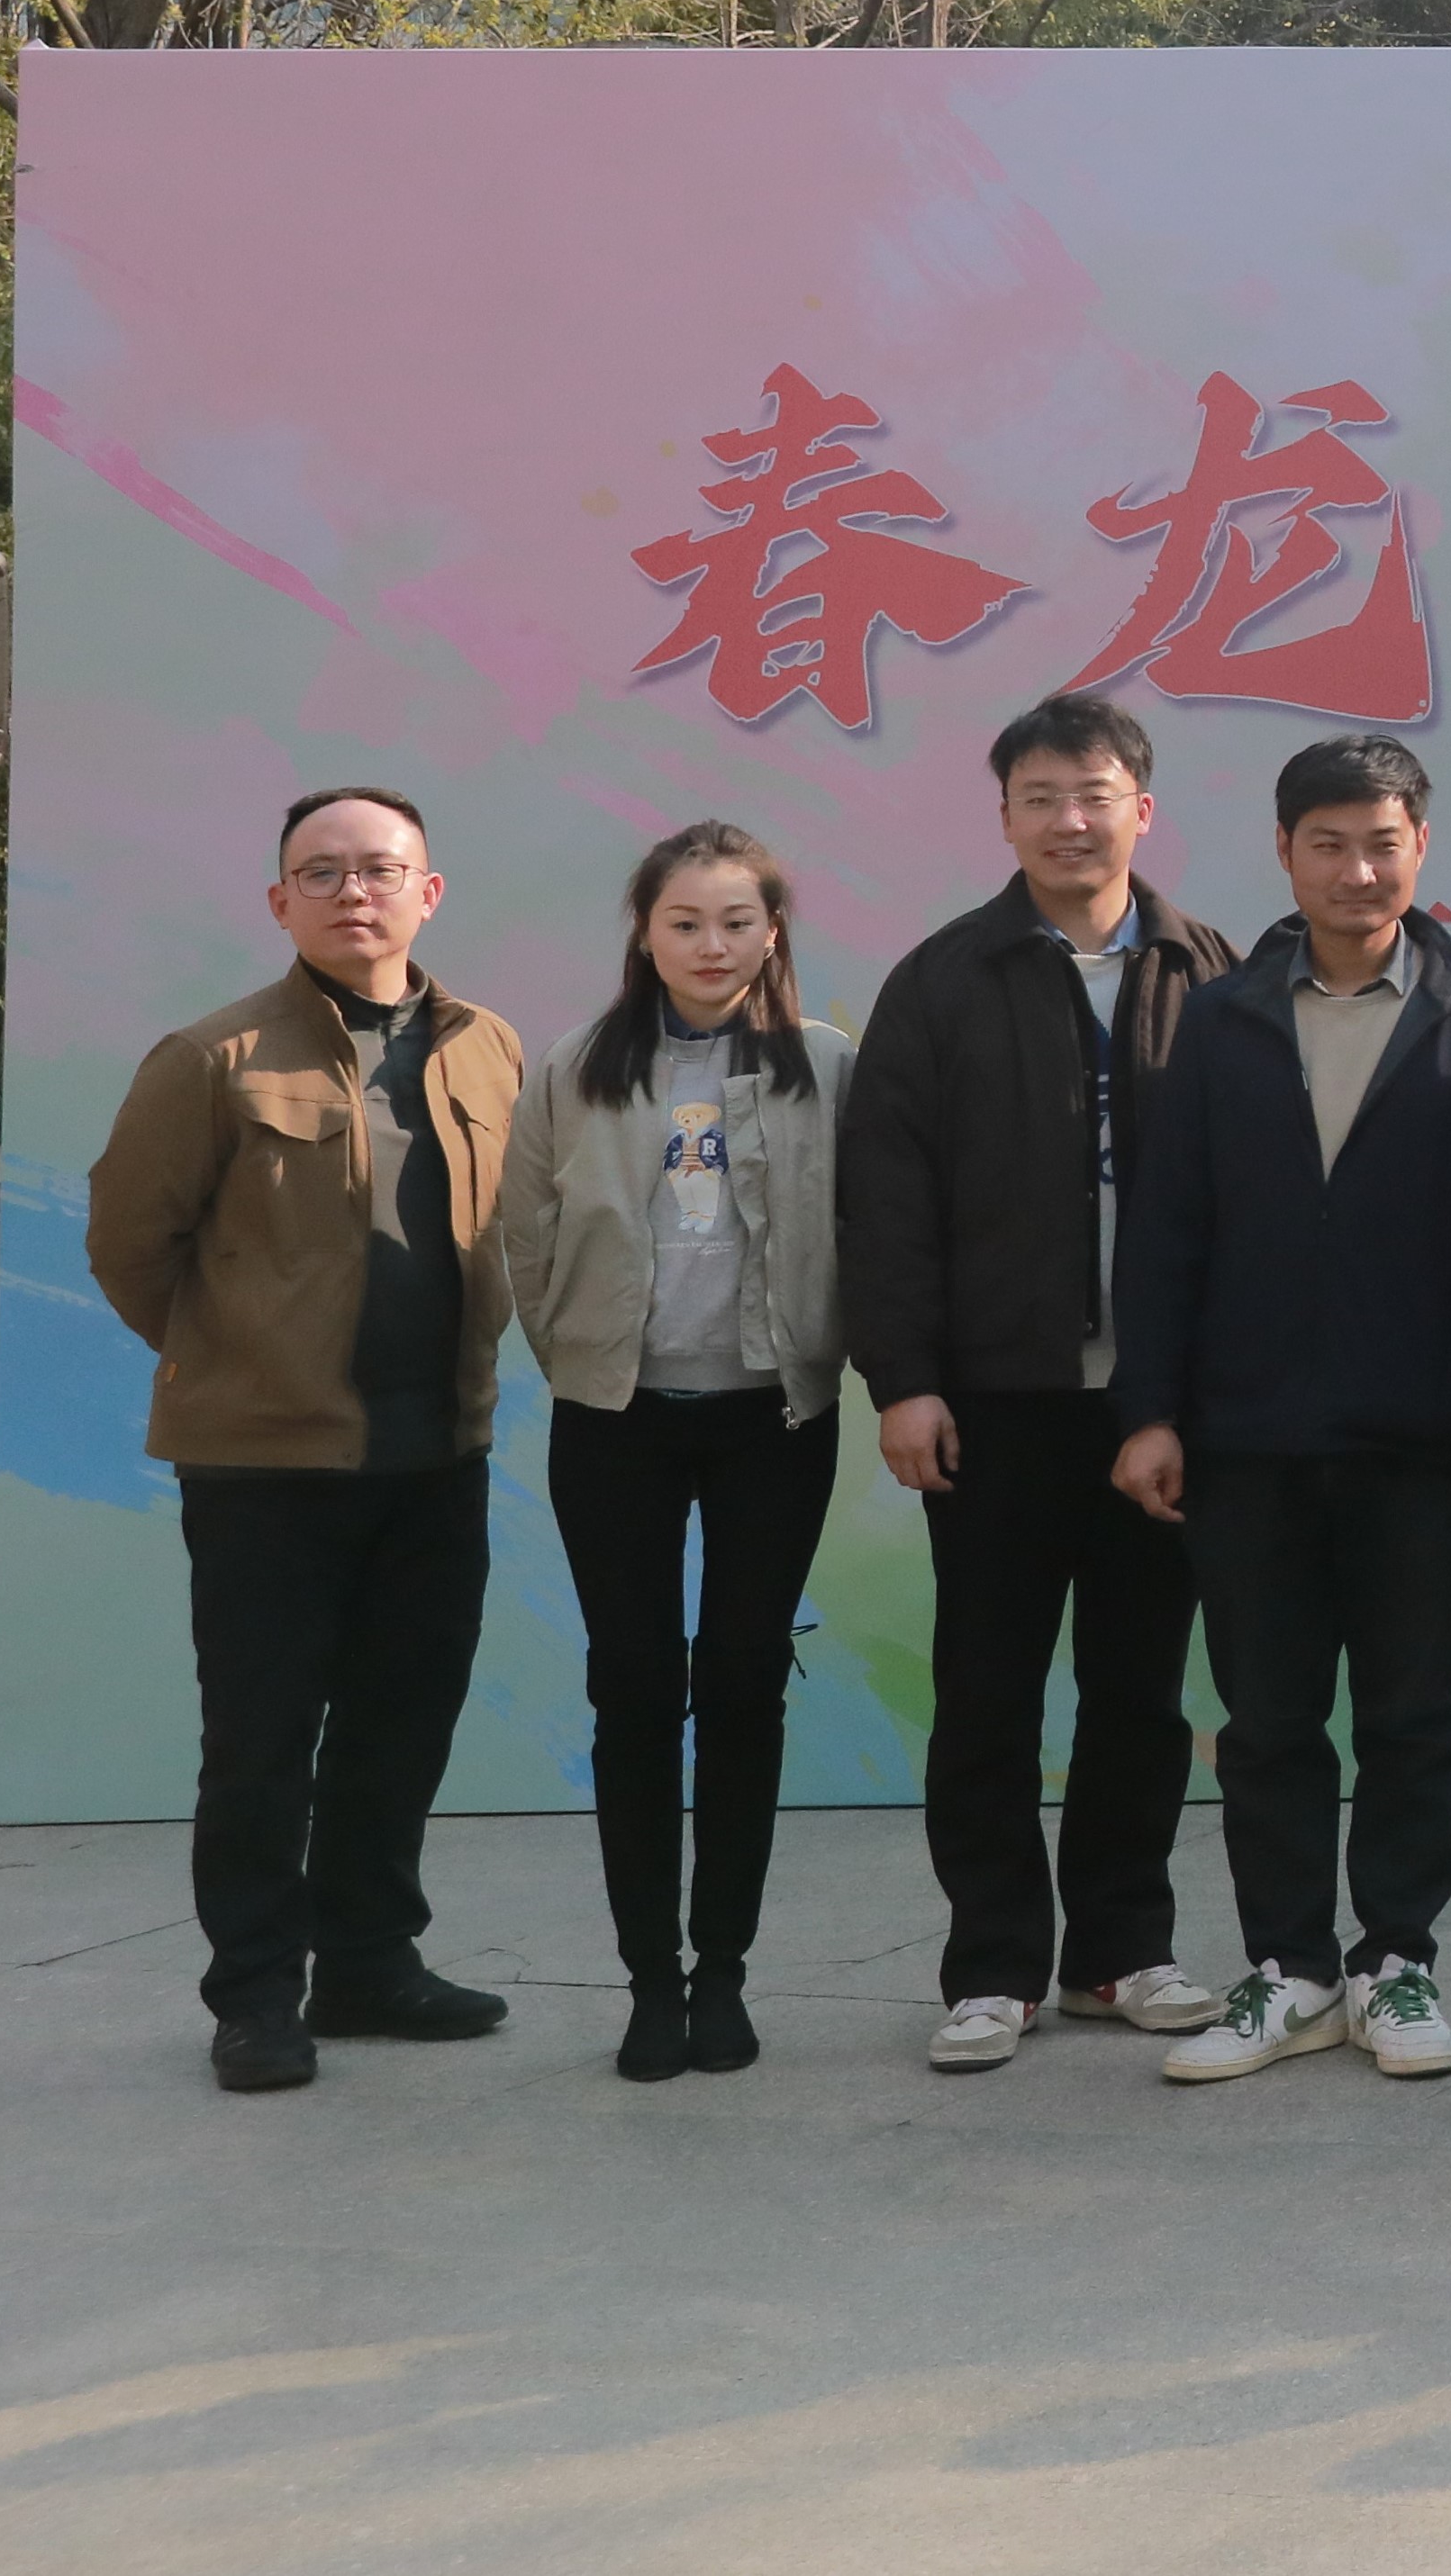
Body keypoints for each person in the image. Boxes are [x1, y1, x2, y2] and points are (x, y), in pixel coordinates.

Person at [1106, 734, 1451, 2087]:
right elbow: (1168, 1231)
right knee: (1267, 1722)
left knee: (1414, 1716)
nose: (1359, 870)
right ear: (1286, 853)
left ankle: (1395, 1960)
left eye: (1383, 843)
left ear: (1421, 847)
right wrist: (1150, 1410)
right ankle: (1290, 1969)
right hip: (1247, 1439)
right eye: (1330, 844)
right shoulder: (1223, 1019)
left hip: (1425, 1441)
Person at [90, 788, 528, 2092]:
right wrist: (243, 1355)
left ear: (427, 893)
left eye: (380, 869)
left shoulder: (486, 1048)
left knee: (403, 1723)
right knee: (263, 1741)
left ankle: (370, 1964)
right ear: (280, 900)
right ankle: (256, 1995)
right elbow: (129, 1245)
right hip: (265, 1469)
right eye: (321, 872)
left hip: (437, 1453)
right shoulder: (210, 1057)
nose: (354, 892)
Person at [843, 694, 1245, 2073]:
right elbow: (886, 1199)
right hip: (995, 1402)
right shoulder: (942, 979)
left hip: (1158, 1406)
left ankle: (1121, 1949)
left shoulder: (1213, 971)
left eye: (1096, 793)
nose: (1072, 820)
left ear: (1143, 807)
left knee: (1141, 1687)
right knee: (989, 1689)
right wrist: (906, 1380)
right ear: (1006, 816)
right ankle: (995, 1963)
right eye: (1042, 797)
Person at [493, 823, 857, 2086]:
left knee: (746, 1686)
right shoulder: (576, 1064)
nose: (713, 945)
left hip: (775, 1418)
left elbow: (865, 1222)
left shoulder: (827, 1064)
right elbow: (526, 1232)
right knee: (634, 1690)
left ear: (773, 932)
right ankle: (651, 1979)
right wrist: (582, 1357)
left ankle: (726, 1972)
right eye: (685, 922)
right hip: (618, 1419)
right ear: (645, 933)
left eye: (738, 921)